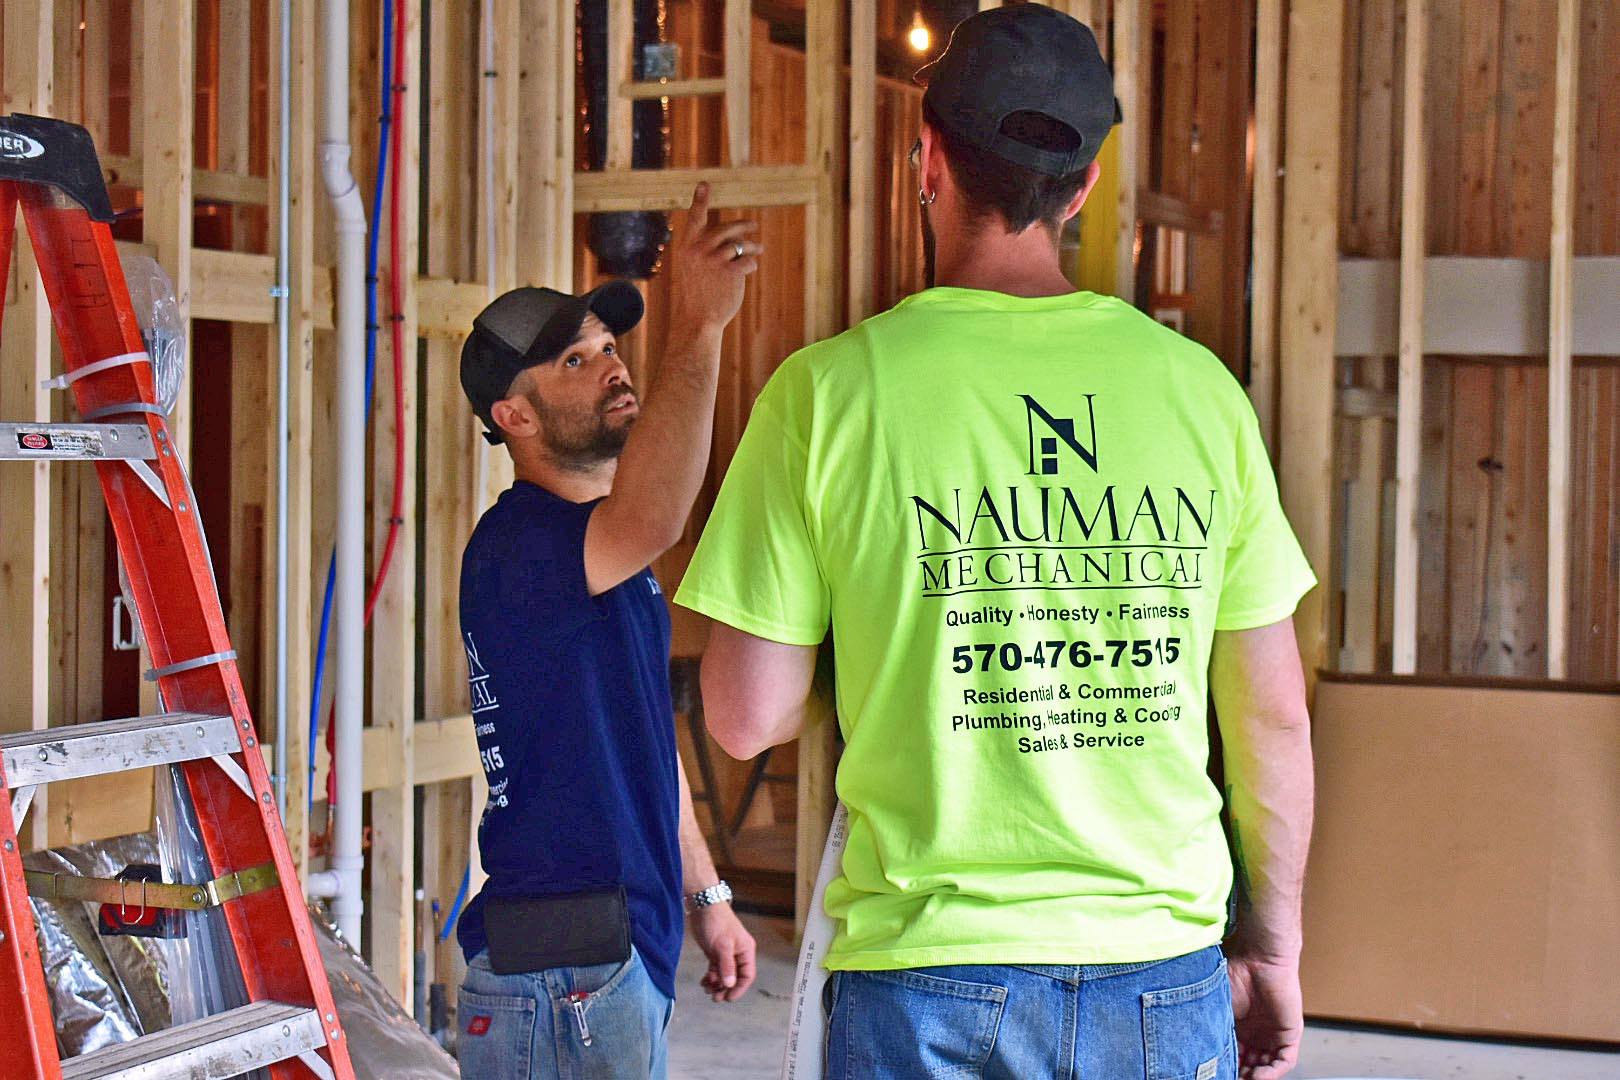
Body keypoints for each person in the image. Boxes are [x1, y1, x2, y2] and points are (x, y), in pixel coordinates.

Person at [674, 7, 1316, 1080]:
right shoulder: (1202, 397)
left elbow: (744, 719)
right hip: (1157, 969)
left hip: (925, 976)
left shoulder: (829, 397)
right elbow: (1272, 715)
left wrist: (888, 639)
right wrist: (1275, 943)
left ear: (926, 158)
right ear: (1084, 186)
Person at [453, 184, 761, 1080]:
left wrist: (707, 895)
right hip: (563, 974)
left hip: (607, 960)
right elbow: (660, 511)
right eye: (575, 362)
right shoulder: (521, 548)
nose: (612, 366)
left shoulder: (604, 560)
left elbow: (640, 742)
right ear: (512, 417)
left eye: (609, 346)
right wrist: (697, 329)